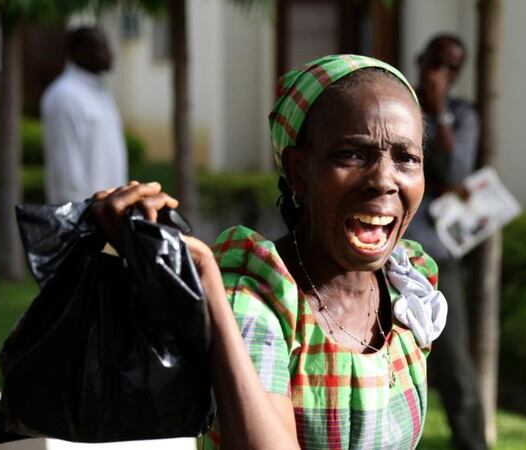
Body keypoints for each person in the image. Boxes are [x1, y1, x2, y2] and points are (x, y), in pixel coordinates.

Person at [90, 54, 448, 449]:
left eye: (407, 158)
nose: (383, 180)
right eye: (352, 154)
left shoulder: (406, 288)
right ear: (298, 171)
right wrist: (209, 285)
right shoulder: (260, 300)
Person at [403, 34, 488, 450]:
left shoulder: (462, 114)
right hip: (390, 245)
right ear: (421, 60)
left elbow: (456, 172)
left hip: (437, 252)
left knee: (454, 361)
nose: (442, 73)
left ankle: (472, 442)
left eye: (452, 67)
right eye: (437, 62)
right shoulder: (397, 100)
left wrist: (438, 111)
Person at [41, 26, 127, 204]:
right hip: (84, 215)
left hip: (109, 211)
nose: (108, 53)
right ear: (76, 52)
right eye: (99, 47)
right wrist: (79, 217)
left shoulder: (100, 91)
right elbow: (65, 167)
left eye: (107, 46)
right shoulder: (64, 95)